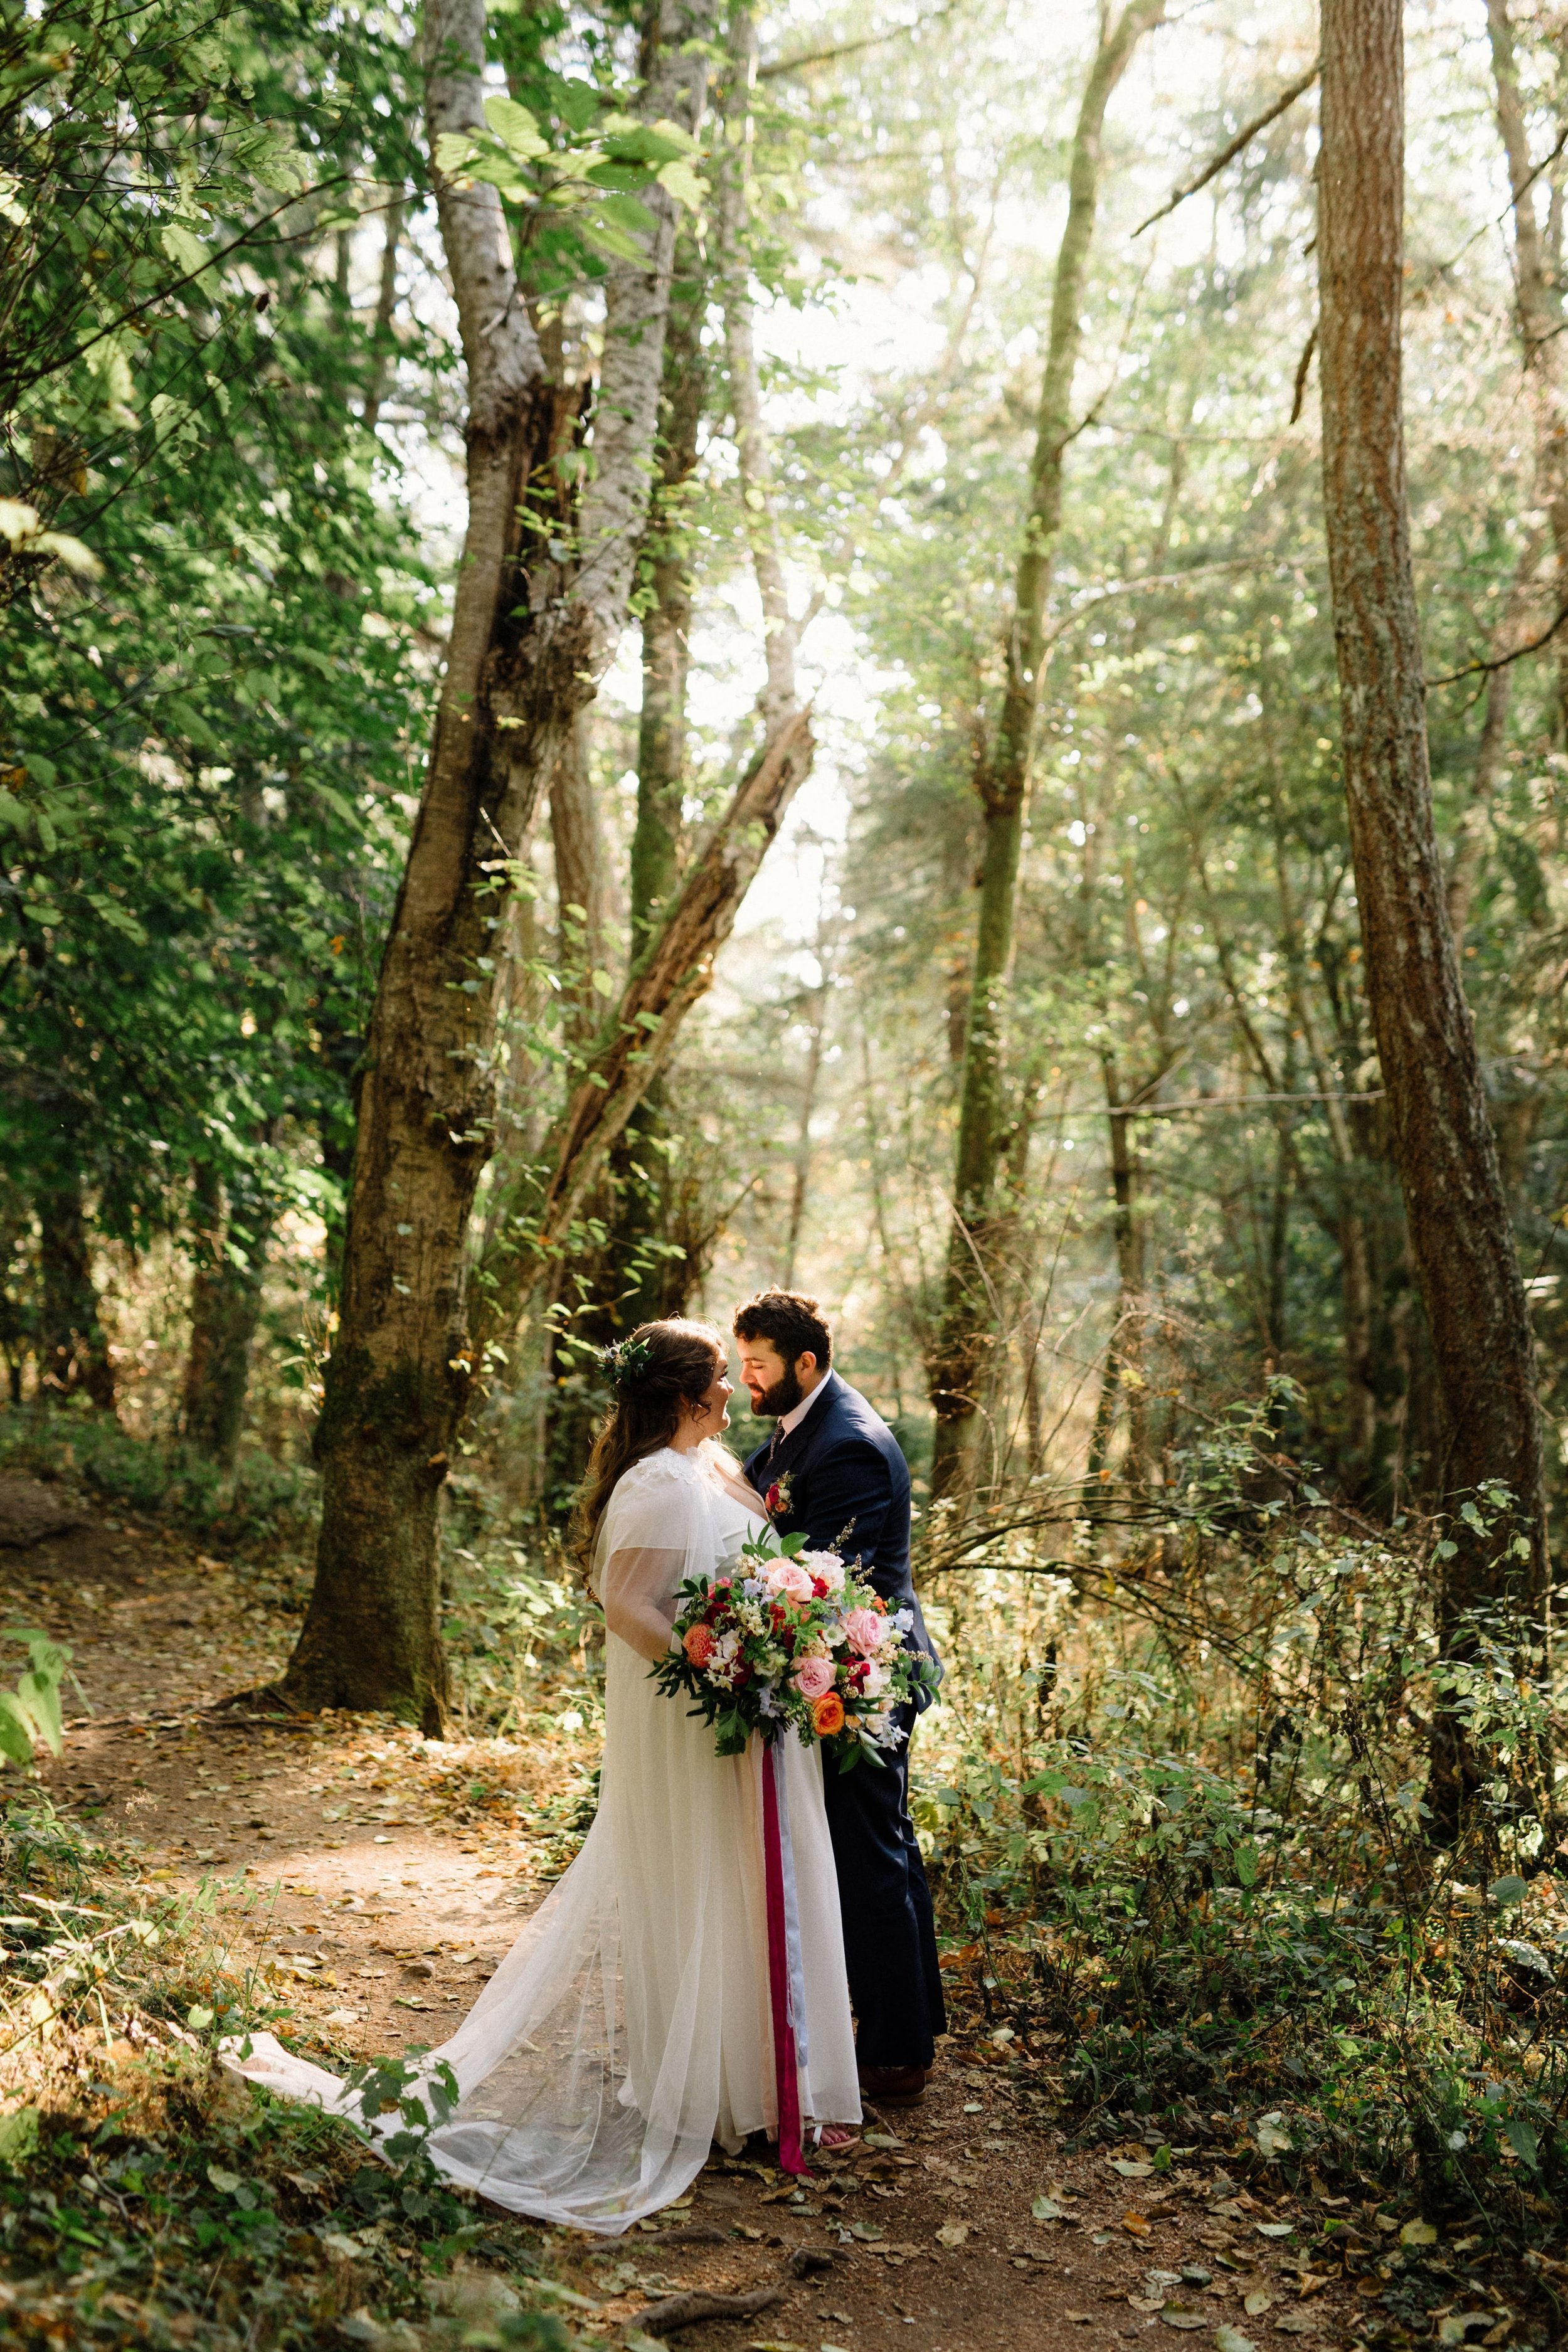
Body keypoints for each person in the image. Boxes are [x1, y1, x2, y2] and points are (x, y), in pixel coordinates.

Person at [226, 1318, 860, 2232]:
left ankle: (764, 2086)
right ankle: (713, 2092)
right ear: (685, 1395)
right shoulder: (653, 1485)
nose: (735, 1389)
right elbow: (626, 1603)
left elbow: (753, 1569)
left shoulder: (719, 1467)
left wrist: (788, 1629)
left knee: (757, 1884)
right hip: (702, 1716)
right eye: (721, 1377)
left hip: (756, 1713)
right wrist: (717, 1660)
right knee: (706, 1883)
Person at [733, 1288, 946, 2106]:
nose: (749, 1378)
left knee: (870, 1850)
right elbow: (755, 1497)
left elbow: (825, 1583)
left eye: (759, 1365)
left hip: (864, 1678)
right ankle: (911, 2027)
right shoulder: (797, 1430)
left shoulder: (848, 1443)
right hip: (841, 1673)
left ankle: (896, 2050)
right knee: (884, 1841)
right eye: (742, 1364)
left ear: (806, 1363)